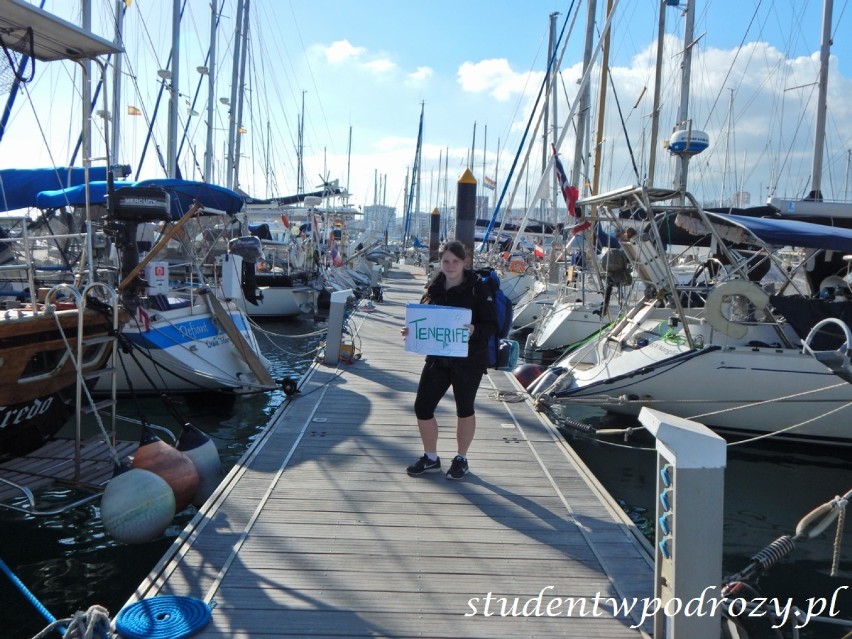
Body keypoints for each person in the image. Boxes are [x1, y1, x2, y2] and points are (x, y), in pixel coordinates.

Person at [400, 240, 497, 480]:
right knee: (422, 407)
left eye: (455, 261)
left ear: (465, 262)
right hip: (438, 358)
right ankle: (431, 457)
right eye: (446, 261)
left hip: (469, 359)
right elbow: (424, 319)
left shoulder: (478, 288)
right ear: (440, 262)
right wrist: (411, 331)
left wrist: (474, 329)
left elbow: (492, 326)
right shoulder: (434, 286)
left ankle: (461, 458)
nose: (450, 265)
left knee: (464, 409)